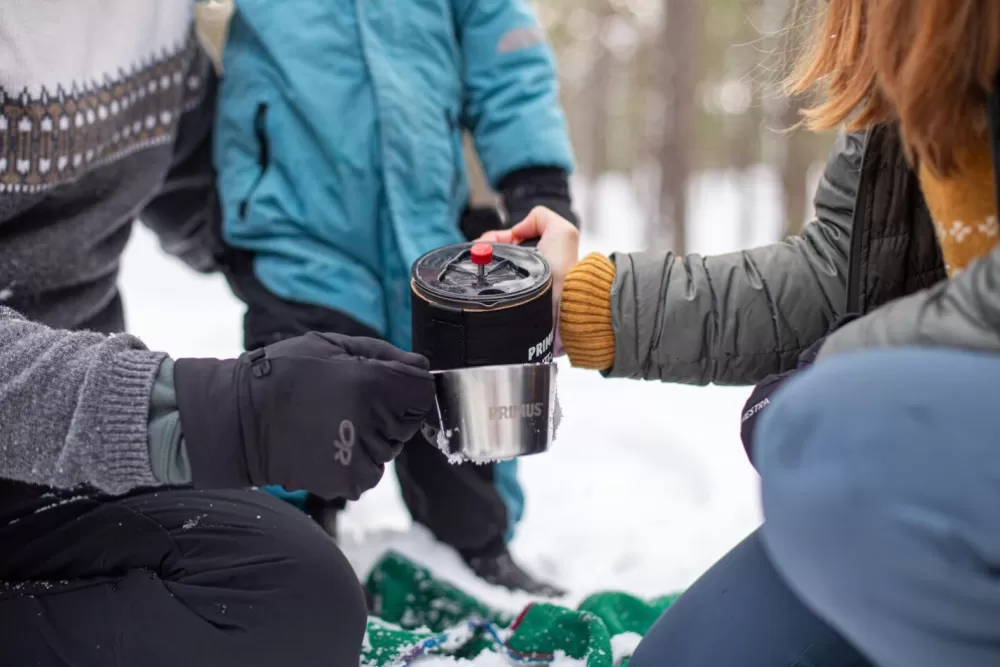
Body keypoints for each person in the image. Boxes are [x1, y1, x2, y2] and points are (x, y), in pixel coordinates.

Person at [481, 1, 1000, 663]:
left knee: (820, 429)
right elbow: (837, 272)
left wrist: (836, 377)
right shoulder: (902, 24)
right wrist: (578, 304)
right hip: (951, 455)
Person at [0, 3, 435, 665]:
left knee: (295, 600)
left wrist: (434, 264)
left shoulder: (154, 22)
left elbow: (235, 203)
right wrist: (204, 412)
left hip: (53, 472)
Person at [212, 0, 576, 595]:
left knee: (465, 400)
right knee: (299, 394)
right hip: (300, 225)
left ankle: (476, 546)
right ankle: (288, 553)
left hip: (428, 216)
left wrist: (538, 182)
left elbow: (505, 50)